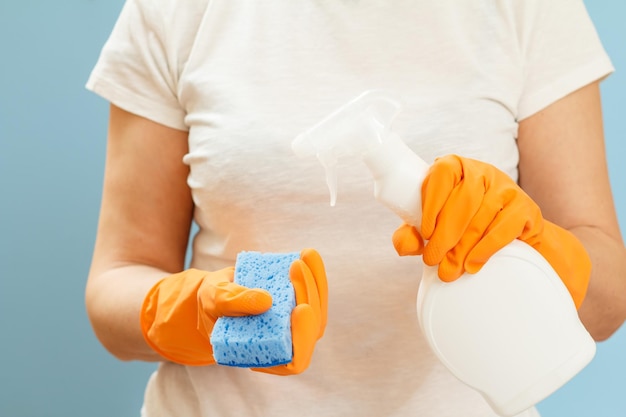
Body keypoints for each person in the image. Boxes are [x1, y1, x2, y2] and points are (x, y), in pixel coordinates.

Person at [85, 0, 626, 416]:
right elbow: (115, 283)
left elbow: (608, 301)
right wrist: (185, 311)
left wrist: (536, 246)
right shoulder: (175, 12)